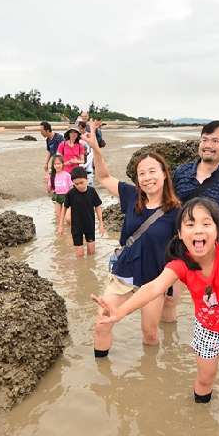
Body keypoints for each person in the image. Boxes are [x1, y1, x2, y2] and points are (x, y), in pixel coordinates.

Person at [94, 197, 219, 407]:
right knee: (204, 378)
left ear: (218, 231)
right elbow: (153, 287)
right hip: (207, 328)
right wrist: (121, 311)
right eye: (190, 225)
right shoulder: (180, 265)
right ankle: (200, 423)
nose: (198, 230)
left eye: (206, 224)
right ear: (180, 234)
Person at [83, 120, 181, 355]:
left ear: (164, 174)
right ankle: (103, 379)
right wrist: (96, 149)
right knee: (102, 322)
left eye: (152, 171)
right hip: (123, 276)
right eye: (141, 173)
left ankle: (150, 378)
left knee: (150, 335)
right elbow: (104, 177)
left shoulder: (177, 211)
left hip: (153, 281)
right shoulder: (130, 195)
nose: (147, 177)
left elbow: (186, 249)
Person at [164, 120, 219, 322]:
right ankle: (168, 346)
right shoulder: (181, 173)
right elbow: (165, 204)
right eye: (204, 139)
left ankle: (213, 342)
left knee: (215, 303)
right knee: (169, 300)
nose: (208, 145)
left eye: (215, 140)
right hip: (179, 247)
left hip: (213, 254)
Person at [58, 166, 105, 258]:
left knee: (91, 253)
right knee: (79, 255)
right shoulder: (70, 194)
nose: (79, 185)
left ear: (87, 179)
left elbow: (98, 206)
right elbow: (64, 208)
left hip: (89, 225)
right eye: (76, 184)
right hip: (76, 228)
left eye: (81, 182)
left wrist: (101, 223)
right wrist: (60, 225)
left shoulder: (92, 191)